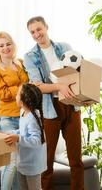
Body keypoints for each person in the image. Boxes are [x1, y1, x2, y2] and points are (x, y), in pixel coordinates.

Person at [23, 16, 84, 190]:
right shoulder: (30, 56)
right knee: (46, 160)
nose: (36, 34)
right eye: (32, 32)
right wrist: (59, 86)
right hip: (49, 109)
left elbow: (78, 73)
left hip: (71, 106)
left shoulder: (65, 48)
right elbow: (37, 86)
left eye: (39, 29)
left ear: (46, 27)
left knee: (76, 159)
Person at [0, 31, 29, 190]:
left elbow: (32, 83)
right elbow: (2, 94)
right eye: (1, 45)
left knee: (18, 165)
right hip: (7, 119)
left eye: (8, 44)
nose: (5, 48)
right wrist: (22, 87)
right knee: (10, 164)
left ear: (13, 45)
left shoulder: (21, 63)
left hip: (24, 117)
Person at [4, 83, 47, 190]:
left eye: (18, 94)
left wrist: (18, 138)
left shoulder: (33, 118)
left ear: (23, 101)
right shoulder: (23, 112)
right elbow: (23, 131)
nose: (15, 96)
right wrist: (13, 132)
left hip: (33, 165)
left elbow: (36, 141)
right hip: (23, 161)